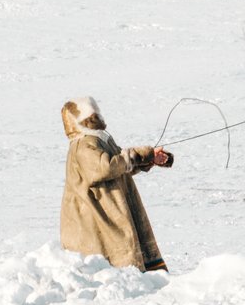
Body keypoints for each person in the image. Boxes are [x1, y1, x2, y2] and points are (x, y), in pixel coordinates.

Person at [60, 96, 173, 272]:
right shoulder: (83, 144)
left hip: (112, 211)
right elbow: (106, 168)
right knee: (113, 264)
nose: (97, 117)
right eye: (93, 114)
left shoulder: (99, 139)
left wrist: (150, 158)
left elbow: (121, 165)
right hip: (95, 218)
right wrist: (140, 155)